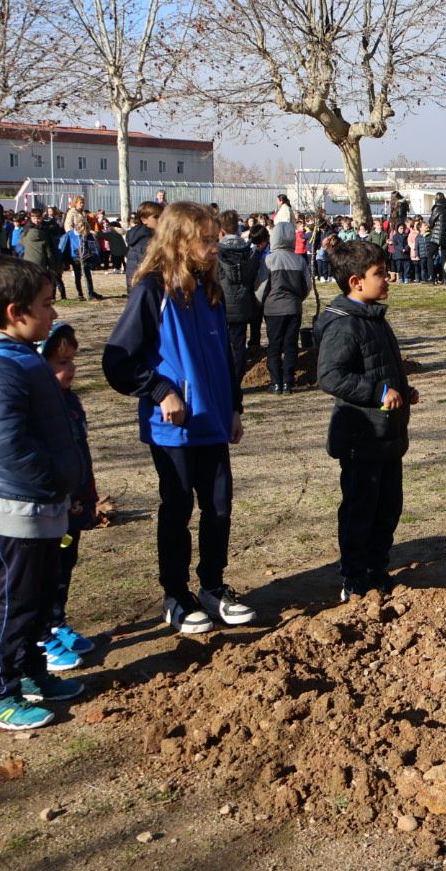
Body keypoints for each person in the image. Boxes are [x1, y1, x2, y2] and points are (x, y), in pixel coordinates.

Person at [0, 258, 86, 730]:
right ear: (14, 311)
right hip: (19, 505)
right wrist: (52, 482)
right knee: (16, 600)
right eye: (46, 305)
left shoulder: (22, 353)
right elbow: (7, 443)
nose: (53, 313)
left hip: (42, 502)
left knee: (40, 594)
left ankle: (30, 673)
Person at [102, 202, 255, 635]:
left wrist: (234, 405)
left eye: (215, 239)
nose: (214, 248)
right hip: (173, 429)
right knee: (178, 507)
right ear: (179, 240)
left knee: (219, 507)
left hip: (213, 423)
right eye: (206, 240)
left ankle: (212, 586)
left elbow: (225, 357)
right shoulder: (152, 291)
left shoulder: (210, 289)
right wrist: (161, 391)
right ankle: (176, 595)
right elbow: (117, 360)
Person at [315, 239, 420, 600]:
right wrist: (377, 393)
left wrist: (404, 391)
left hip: (387, 435)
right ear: (356, 282)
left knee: (388, 507)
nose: (388, 278)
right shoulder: (344, 324)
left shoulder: (373, 316)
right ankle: (354, 577)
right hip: (362, 436)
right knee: (361, 509)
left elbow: (381, 366)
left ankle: (378, 569)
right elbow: (331, 375)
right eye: (380, 274)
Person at [37, 322, 99, 672]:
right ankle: (41, 634)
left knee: (66, 564)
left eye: (72, 361)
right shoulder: (42, 408)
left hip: (75, 502)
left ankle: (57, 620)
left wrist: (85, 495)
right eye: (61, 364)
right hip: (54, 506)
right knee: (49, 569)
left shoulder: (70, 402)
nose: (70, 369)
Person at [216, 210, 266, 385]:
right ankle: (235, 381)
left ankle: (221, 380)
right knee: (239, 346)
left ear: (221, 230)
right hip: (243, 304)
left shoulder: (216, 253)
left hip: (221, 306)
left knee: (220, 345)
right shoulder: (249, 252)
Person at [260, 220, 310, 394]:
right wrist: (297, 299)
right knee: (291, 345)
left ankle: (275, 382)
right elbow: (307, 286)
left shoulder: (268, 260)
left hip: (273, 309)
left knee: (274, 345)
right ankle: (288, 381)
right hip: (294, 307)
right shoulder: (299, 260)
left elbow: (261, 287)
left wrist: (264, 302)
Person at [427, 192, 446, 283]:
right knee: (444, 257)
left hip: (437, 235)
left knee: (429, 255)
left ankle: (431, 277)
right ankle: (445, 278)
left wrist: (431, 225)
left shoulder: (437, 207)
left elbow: (431, 221)